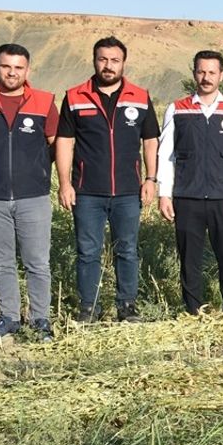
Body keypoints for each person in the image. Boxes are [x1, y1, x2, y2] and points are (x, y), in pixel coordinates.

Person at [55, 37, 160, 323]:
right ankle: (89, 308)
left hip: (128, 191)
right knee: (88, 252)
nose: (108, 65)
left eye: (114, 60)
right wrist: (65, 183)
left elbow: (150, 140)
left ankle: (127, 307)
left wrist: (151, 178)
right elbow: (64, 142)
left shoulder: (140, 96)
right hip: (87, 192)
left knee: (127, 250)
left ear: (123, 63)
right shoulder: (75, 96)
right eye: (103, 59)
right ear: (94, 60)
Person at [0, 44, 58, 341]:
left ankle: (41, 319)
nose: (12, 72)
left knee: (37, 262)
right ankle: (9, 318)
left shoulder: (44, 102)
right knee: (1, 260)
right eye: (6, 66)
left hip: (34, 196)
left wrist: (35, 168)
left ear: (27, 70)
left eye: (18, 67)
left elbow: (55, 143)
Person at [156, 50, 223, 314]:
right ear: (194, 73)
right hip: (187, 197)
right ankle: (193, 309)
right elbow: (166, 154)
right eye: (201, 71)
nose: (206, 77)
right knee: (189, 259)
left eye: (212, 72)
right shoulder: (177, 109)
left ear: (221, 75)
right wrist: (164, 193)